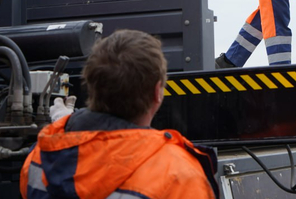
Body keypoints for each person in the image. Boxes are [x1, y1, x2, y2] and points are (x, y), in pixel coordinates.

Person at [20, 29, 219, 199]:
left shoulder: (42, 156)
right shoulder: (179, 174)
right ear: (157, 92)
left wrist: (70, 124)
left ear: (91, 85)